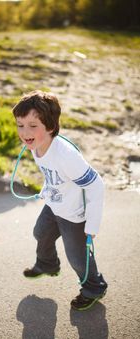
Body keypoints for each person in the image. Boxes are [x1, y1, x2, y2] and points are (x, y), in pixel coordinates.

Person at [12, 90, 108, 311]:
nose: (25, 132)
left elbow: (95, 185)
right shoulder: (36, 146)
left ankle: (95, 287)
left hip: (74, 215)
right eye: (20, 125)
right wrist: (47, 190)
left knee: (77, 258)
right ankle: (48, 264)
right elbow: (52, 175)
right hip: (55, 205)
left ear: (51, 127)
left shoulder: (65, 155)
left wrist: (92, 224)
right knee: (40, 232)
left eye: (33, 126)